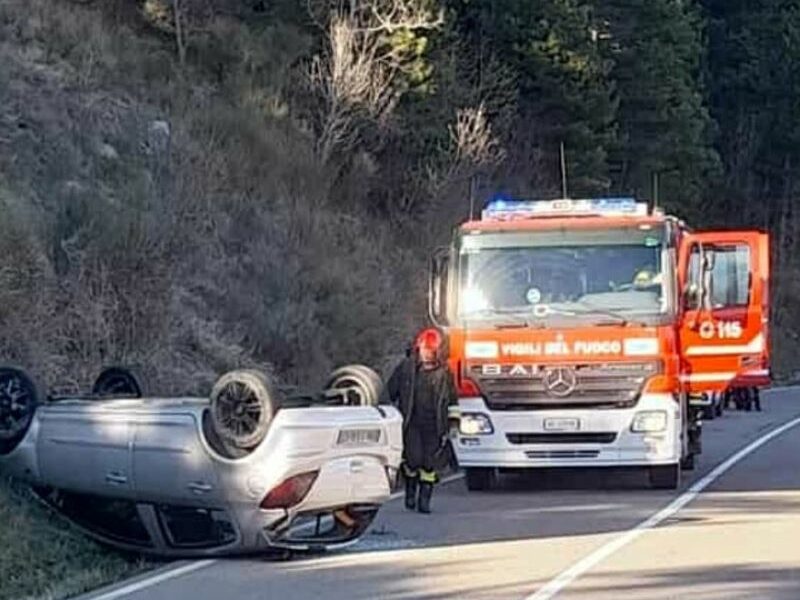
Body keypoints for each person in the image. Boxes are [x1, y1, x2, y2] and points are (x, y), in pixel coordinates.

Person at [386, 328, 458, 514]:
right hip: (411, 423)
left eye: (431, 351)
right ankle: (410, 490)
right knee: (412, 459)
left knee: (429, 464)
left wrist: (453, 425)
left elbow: (452, 402)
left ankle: (424, 501)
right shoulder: (406, 369)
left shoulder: (444, 374)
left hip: (435, 426)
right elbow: (389, 392)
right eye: (425, 351)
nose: (427, 355)